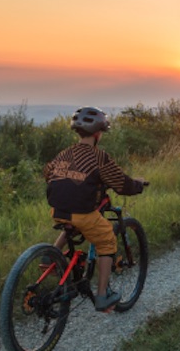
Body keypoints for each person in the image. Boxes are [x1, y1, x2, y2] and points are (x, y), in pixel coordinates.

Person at [43, 107, 146, 312]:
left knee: (73, 224)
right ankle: (102, 297)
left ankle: (48, 259)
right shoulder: (99, 157)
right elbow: (121, 184)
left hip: (57, 210)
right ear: (98, 133)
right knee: (107, 238)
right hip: (82, 214)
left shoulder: (64, 153)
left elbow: (48, 173)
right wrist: (138, 185)